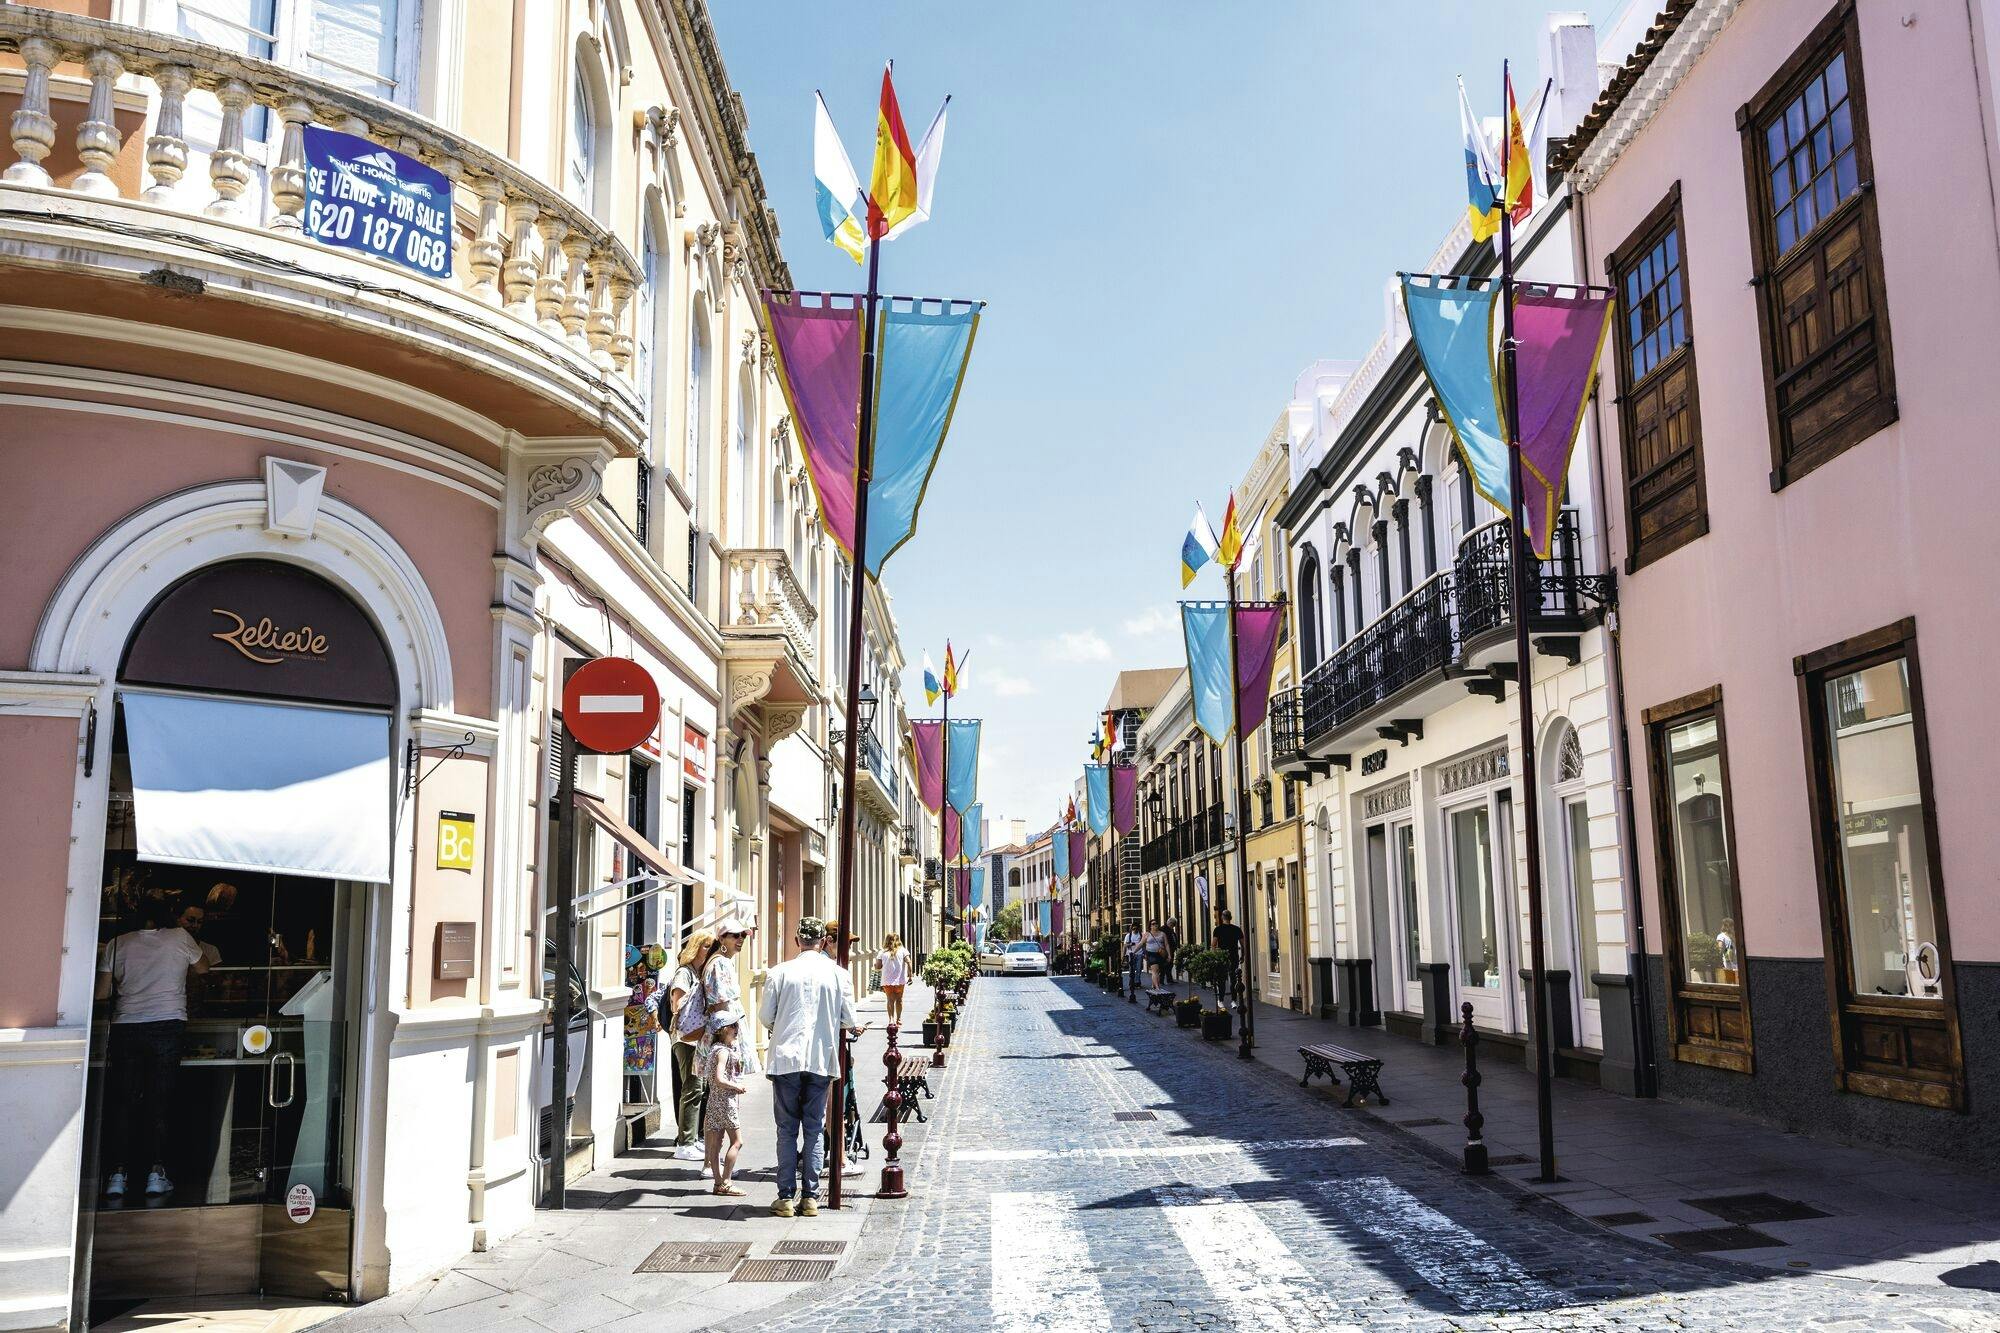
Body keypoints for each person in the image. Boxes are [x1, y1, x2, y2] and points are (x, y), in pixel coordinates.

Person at [95, 898, 218, 1198]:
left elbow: (101, 993)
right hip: (167, 1024)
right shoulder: (180, 938)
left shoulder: (117, 943)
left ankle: (117, 1175)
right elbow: (204, 969)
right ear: (168, 916)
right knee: (159, 1100)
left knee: (123, 1101)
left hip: (127, 1025)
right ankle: (155, 1172)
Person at [759, 917, 859, 1218]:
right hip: (820, 1058)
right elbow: (849, 1019)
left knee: (787, 1129)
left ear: (797, 940)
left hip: (787, 1058)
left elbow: (766, 1017)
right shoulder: (839, 975)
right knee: (815, 1128)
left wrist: (783, 1027)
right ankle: (811, 1197)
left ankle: (786, 1197)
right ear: (823, 941)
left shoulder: (779, 973)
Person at [665, 930, 718, 1162]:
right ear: (695, 947)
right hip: (685, 1039)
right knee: (692, 1087)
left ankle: (693, 1139)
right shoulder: (684, 973)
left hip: (698, 1038)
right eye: (706, 946)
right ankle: (685, 1142)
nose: (710, 951)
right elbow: (678, 1005)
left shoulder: (698, 973)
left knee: (700, 1087)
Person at [699, 1008, 750, 1197]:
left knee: (716, 1143)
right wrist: (736, 1087)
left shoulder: (714, 1050)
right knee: (737, 1141)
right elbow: (720, 1079)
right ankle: (726, 1182)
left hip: (713, 1101)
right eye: (733, 1026)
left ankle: (718, 1183)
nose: (737, 1029)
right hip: (725, 1102)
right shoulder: (723, 1052)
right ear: (723, 1029)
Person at [876, 932, 912, 1026]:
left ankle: (891, 1020)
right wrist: (910, 976)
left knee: (890, 1000)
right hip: (900, 980)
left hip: (887, 981)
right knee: (899, 1000)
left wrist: (875, 965)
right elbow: (909, 962)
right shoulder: (903, 950)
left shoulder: (882, 952)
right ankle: (899, 1019)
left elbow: (878, 966)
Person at [1213, 908, 1244, 1006]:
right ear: (1230, 918)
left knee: (1222, 979)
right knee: (1234, 979)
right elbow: (1243, 944)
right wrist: (1242, 956)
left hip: (1222, 957)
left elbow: (1213, 945)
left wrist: (1215, 956)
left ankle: (1220, 1000)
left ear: (1222, 917)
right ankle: (1233, 1001)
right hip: (1234, 956)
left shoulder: (1217, 929)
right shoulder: (1236, 929)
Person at [1143, 919, 1168, 990]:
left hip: (1160, 954)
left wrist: (1169, 955)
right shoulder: (1147, 934)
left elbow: (1166, 944)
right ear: (1150, 926)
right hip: (1151, 954)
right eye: (1153, 924)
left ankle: (1154, 984)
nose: (1155, 925)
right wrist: (1135, 951)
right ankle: (1157, 987)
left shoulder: (1162, 934)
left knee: (1157, 971)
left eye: (1156, 923)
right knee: (1154, 970)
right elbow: (1141, 943)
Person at [1122, 923, 1143, 998]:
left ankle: (1137, 982)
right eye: (1133, 929)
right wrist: (1130, 944)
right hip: (1131, 954)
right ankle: (1132, 982)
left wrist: (1145, 953)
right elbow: (1125, 945)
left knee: (1139, 968)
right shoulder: (1128, 936)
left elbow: (1144, 944)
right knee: (1132, 969)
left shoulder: (1141, 935)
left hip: (1139, 953)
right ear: (1131, 929)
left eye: (1136, 928)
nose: (1135, 930)